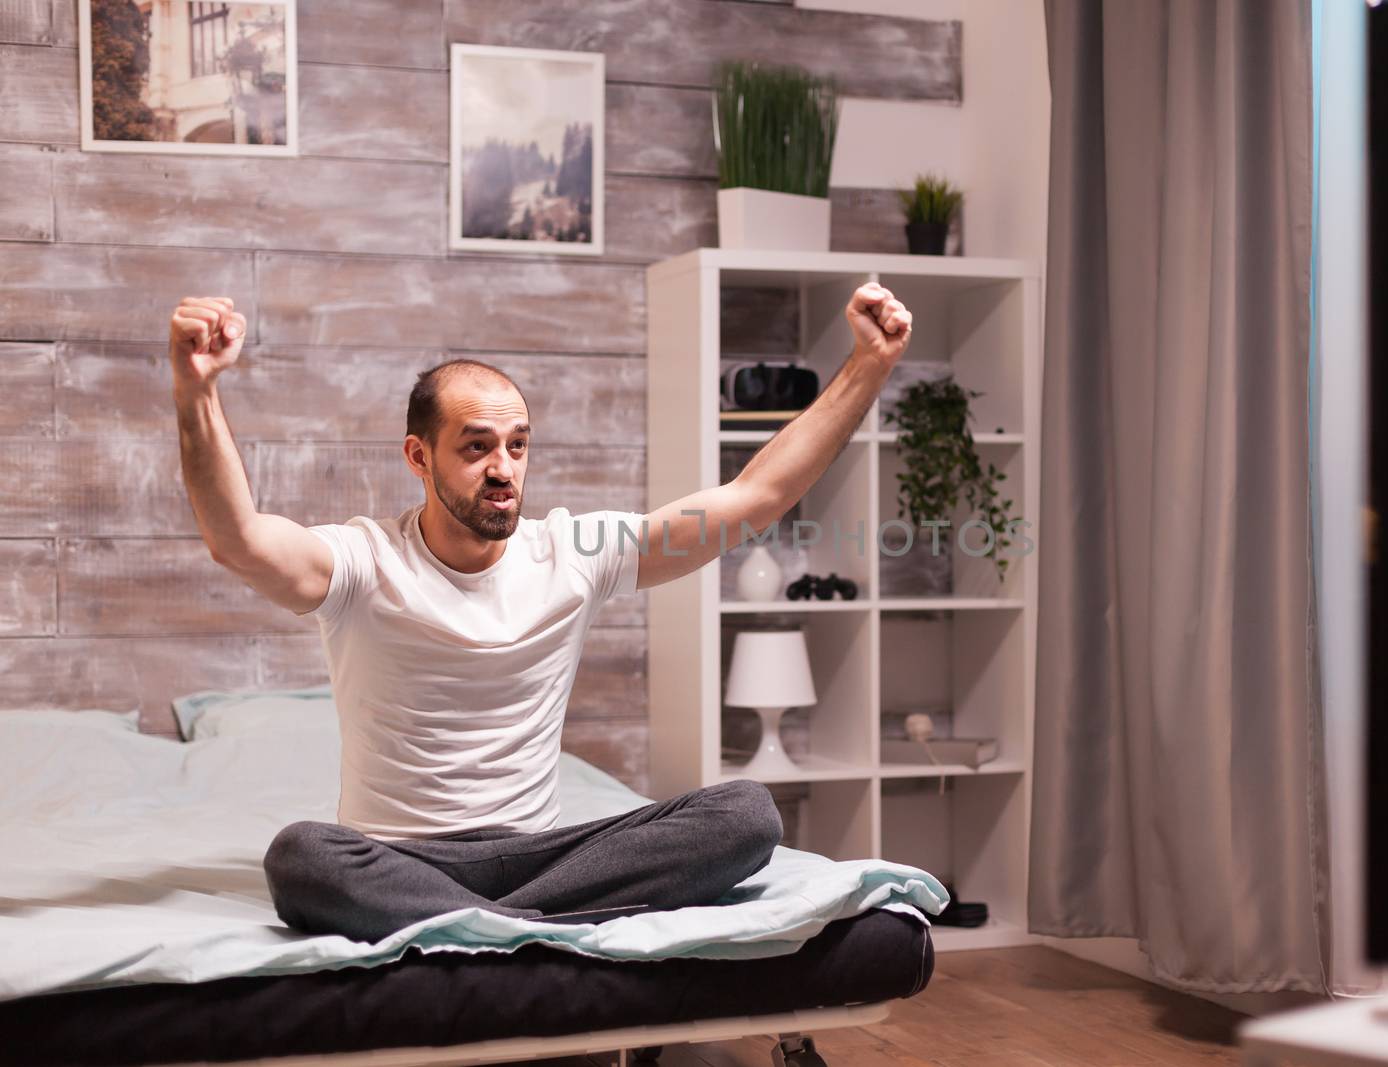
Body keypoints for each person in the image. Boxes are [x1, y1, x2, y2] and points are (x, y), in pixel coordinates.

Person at [167, 284, 914, 943]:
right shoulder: (365, 561)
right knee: (302, 859)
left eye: (518, 445)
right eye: (477, 446)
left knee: (747, 813)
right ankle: (542, 931)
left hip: (545, 853)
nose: (504, 468)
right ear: (418, 457)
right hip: (399, 857)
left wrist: (869, 364)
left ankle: (487, 930)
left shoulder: (574, 551)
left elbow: (751, 501)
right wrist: (196, 390)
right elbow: (238, 540)